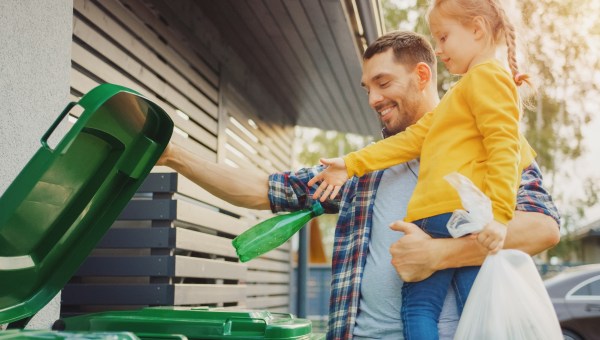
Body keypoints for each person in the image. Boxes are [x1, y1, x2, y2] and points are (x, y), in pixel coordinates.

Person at [157, 31, 560, 340]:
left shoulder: (490, 144)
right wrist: (176, 156)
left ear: (422, 75)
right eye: (367, 88)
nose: (373, 99)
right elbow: (266, 189)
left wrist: (440, 254)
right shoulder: (361, 171)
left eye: (383, 83)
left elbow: (542, 228)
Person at [307, 1, 548, 339]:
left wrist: (500, 216)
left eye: (444, 37)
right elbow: (412, 139)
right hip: (446, 219)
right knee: (476, 304)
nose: (438, 49)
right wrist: (350, 164)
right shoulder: (461, 92)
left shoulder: (488, 78)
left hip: (442, 218)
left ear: (477, 29)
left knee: (421, 308)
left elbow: (504, 147)